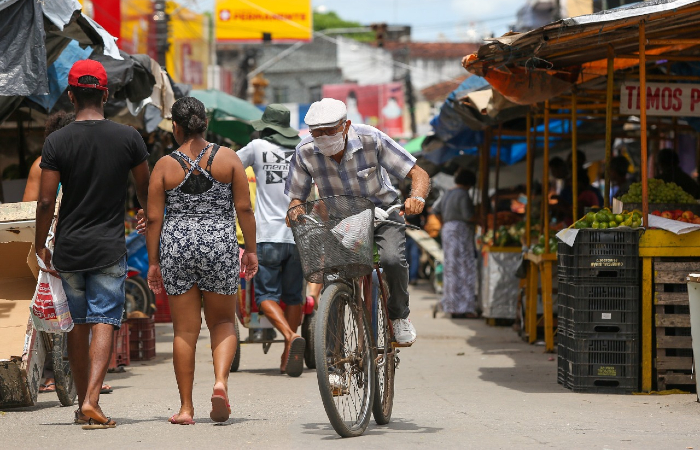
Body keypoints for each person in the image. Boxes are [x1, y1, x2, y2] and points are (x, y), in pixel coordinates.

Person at [34, 60, 150, 429]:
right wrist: (146, 211)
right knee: (104, 319)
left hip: (69, 247)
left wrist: (40, 244)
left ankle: (83, 402)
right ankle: (91, 401)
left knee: (79, 325)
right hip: (108, 247)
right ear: (106, 94)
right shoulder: (128, 138)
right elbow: (145, 187)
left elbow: (45, 201)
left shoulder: (56, 141)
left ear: (70, 95)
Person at [146, 97, 258, 425]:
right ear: (205, 124)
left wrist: (154, 262)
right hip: (219, 243)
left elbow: (154, 219)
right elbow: (245, 209)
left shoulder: (164, 166)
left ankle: (185, 408)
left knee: (184, 331)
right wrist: (250, 250)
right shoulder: (229, 159)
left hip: (177, 247)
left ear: (176, 127)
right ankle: (220, 383)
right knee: (223, 323)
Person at [285, 98, 430, 348]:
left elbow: (418, 173)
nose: (322, 138)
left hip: (383, 214)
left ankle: (399, 316)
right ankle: (333, 362)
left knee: (392, 260)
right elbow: (297, 195)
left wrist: (416, 196)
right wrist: (295, 209)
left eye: (329, 131)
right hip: (340, 223)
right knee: (332, 282)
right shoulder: (305, 151)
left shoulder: (371, 138)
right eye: (316, 133)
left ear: (345, 125)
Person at [237, 104, 306, 377]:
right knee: (293, 297)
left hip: (267, 236)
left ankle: (289, 337)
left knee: (265, 295)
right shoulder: (302, 149)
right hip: (300, 236)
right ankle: (287, 352)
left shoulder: (257, 147)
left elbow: (229, 164)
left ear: (266, 126)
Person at [433, 170, 478, 319]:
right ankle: (465, 307)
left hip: (448, 229)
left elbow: (435, 210)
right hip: (461, 231)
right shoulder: (463, 194)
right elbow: (468, 215)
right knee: (465, 268)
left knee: (451, 268)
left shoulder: (448, 193)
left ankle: (452, 306)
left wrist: (445, 222)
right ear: (469, 183)